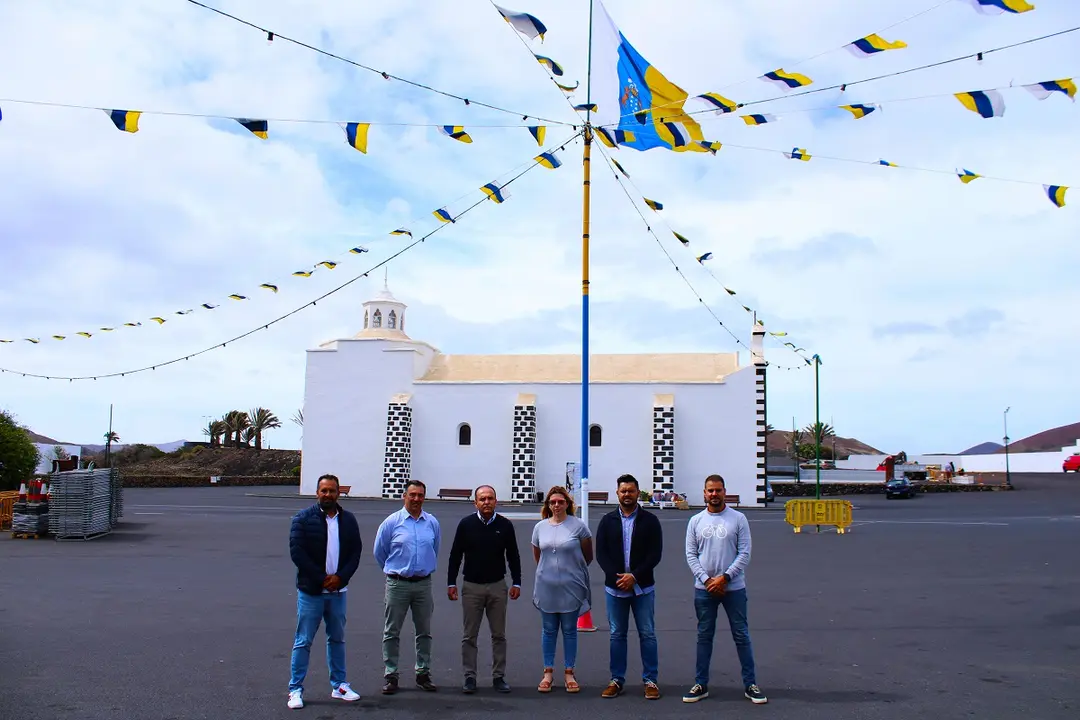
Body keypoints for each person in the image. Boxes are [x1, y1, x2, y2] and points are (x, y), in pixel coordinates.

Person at [682, 474, 767, 705]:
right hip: (704, 589)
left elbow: (744, 553)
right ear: (704, 493)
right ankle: (701, 683)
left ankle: (750, 684)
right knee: (704, 636)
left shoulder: (738, 519)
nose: (714, 494)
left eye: (718, 490)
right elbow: (691, 554)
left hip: (734, 588)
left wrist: (725, 578)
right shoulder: (695, 521)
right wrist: (707, 579)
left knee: (741, 635)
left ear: (724, 492)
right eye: (710, 490)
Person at [286, 474, 363, 709]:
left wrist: (340, 578)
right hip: (312, 591)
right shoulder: (302, 519)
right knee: (303, 641)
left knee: (337, 639)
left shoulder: (348, 520)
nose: (328, 494)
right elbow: (297, 553)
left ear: (338, 493)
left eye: (332, 491)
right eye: (324, 491)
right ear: (317, 492)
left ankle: (339, 685)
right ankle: (295, 689)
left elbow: (355, 552)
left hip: (338, 591)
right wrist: (322, 579)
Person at [447, 484, 522, 694]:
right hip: (471, 587)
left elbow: (513, 556)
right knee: (469, 635)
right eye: (482, 499)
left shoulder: (505, 526)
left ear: (495, 501)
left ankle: (499, 676)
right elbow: (455, 555)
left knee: (499, 635)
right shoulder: (466, 525)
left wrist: (517, 582)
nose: (486, 502)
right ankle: (469, 676)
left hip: (498, 586)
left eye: (490, 498)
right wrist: (451, 582)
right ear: (476, 502)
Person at [595, 474, 663, 700]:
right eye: (623, 491)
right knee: (617, 635)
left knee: (647, 634)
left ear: (637, 492)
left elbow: (655, 554)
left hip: (643, 587)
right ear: (617, 493)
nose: (627, 494)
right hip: (615, 588)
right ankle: (616, 680)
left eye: (631, 491)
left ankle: (651, 680)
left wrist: (634, 576)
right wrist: (617, 578)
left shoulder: (650, 520)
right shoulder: (607, 521)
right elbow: (601, 554)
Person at [374, 479, 441, 695]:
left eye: (420, 495)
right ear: (405, 496)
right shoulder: (391, 523)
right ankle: (391, 674)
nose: (416, 499)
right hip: (398, 584)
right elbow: (380, 552)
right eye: (412, 494)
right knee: (392, 631)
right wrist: (396, 569)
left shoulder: (432, 523)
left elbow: (435, 548)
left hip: (423, 584)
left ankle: (423, 673)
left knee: (424, 632)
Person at [531, 485, 593, 694]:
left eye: (560, 502)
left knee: (569, 631)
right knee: (548, 631)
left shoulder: (579, 526)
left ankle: (569, 672)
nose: (557, 505)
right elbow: (538, 555)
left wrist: (569, 570)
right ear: (548, 505)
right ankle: (547, 672)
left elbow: (588, 556)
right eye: (553, 502)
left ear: (567, 504)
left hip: (571, 587)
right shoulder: (540, 527)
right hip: (547, 587)